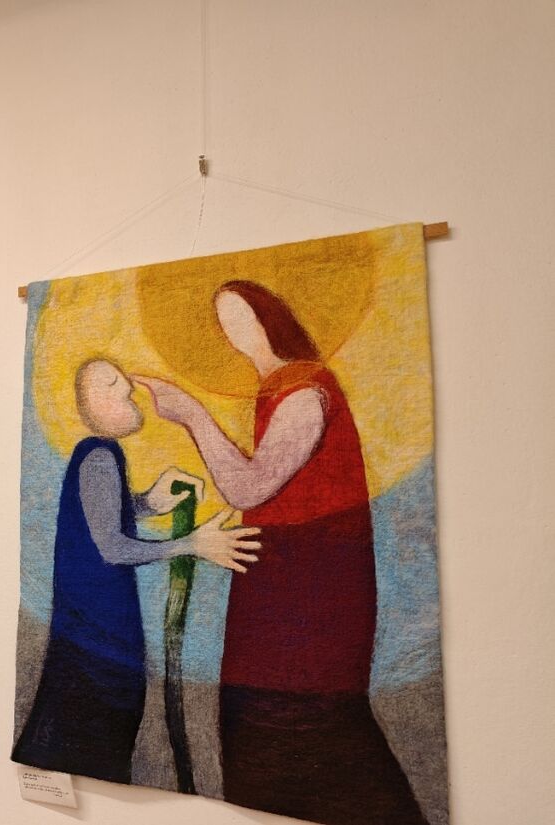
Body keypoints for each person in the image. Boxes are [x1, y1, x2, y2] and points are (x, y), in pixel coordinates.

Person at [135, 281, 428, 824]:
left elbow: (250, 487)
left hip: (311, 583)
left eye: (243, 316)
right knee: (263, 718)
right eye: (225, 322)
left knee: (303, 717)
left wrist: (193, 415)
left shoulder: (303, 391)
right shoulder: (277, 388)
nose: (234, 332)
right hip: (279, 577)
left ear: (273, 317)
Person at [12, 358, 260, 784]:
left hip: (92, 636)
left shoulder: (97, 455)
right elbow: (112, 547)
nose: (128, 387)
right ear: (93, 402)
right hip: (97, 641)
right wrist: (192, 544)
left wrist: (148, 502)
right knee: (95, 739)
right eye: (112, 384)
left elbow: (101, 521)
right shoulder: (99, 454)